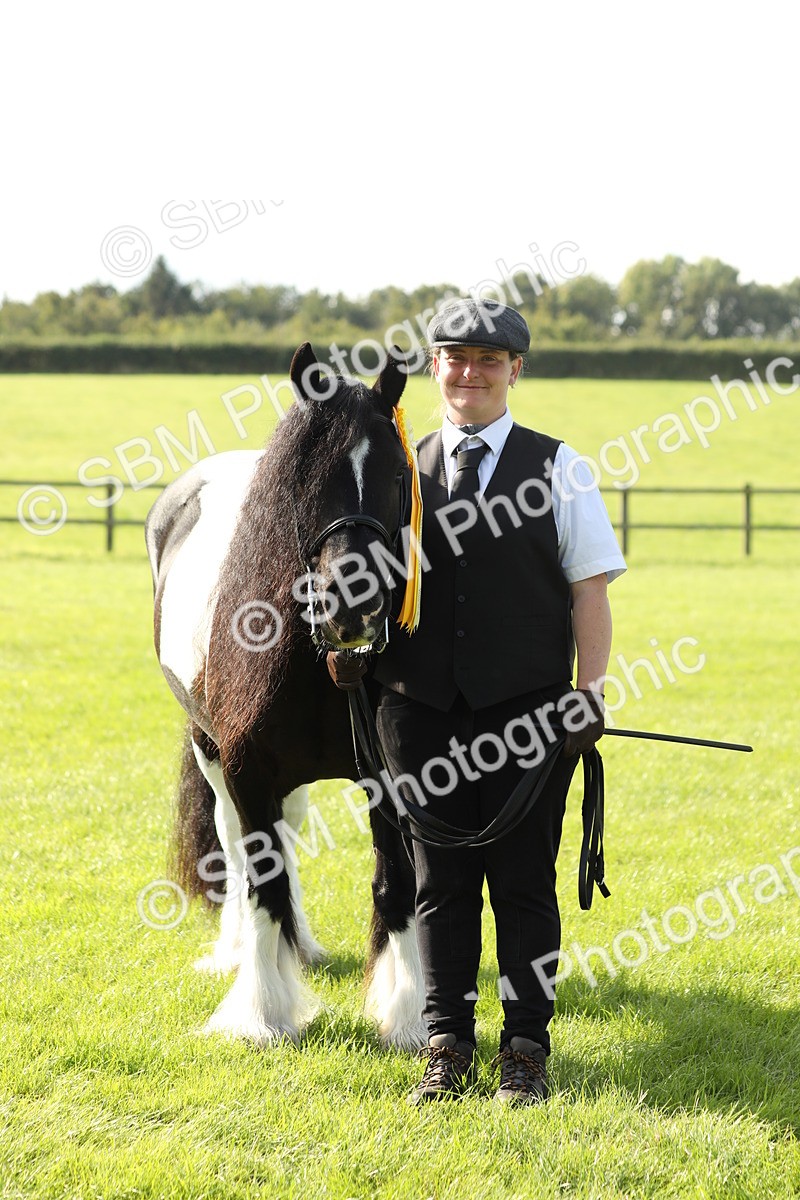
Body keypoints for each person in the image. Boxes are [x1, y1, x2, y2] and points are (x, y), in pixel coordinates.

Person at [330, 297, 626, 1105]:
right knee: (439, 884)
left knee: (524, 883)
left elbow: (588, 589)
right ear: (435, 367)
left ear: (515, 371)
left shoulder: (559, 466)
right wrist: (351, 648)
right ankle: (447, 1047)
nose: (470, 373)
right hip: (415, 709)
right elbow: (358, 568)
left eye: (489, 360)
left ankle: (525, 1050)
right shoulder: (398, 464)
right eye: (455, 358)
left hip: (527, 712)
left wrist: (588, 694)